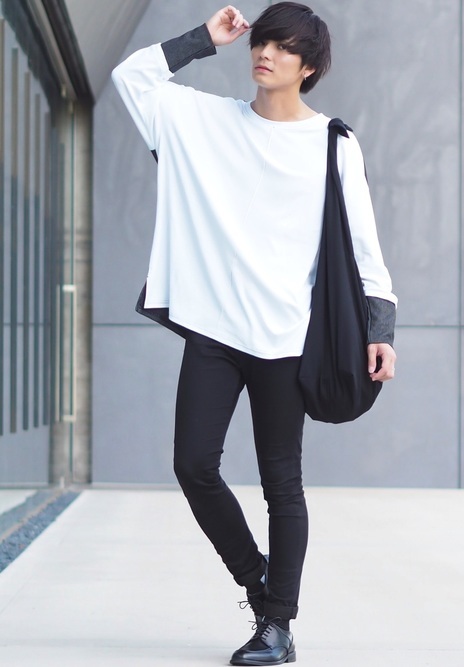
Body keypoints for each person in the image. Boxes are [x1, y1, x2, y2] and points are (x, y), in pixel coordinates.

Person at [112, 3, 397, 665]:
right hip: (215, 330)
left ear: (310, 66)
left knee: (282, 485)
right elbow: (131, 78)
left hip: (286, 338)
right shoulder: (204, 122)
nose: (266, 52)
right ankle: (258, 579)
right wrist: (202, 39)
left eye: (284, 46)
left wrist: (379, 328)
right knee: (193, 464)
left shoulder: (333, 144)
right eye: (263, 41)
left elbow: (364, 245)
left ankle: (278, 627)